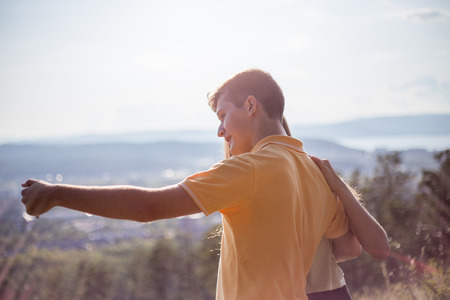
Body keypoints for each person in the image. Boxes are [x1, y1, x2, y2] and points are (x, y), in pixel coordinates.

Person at [21, 69, 361, 299]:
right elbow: (348, 248)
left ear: (251, 105)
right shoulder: (315, 174)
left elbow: (147, 207)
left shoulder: (250, 169)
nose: (220, 130)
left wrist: (57, 193)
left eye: (223, 116)